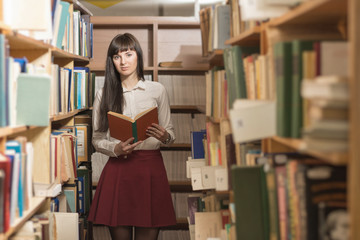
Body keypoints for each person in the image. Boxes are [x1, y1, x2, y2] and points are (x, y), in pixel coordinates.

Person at [87, 33, 176, 240]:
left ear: (138, 56)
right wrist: (115, 149)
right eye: (117, 57)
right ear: (111, 61)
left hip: (150, 169)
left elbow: (170, 133)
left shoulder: (157, 90)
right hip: (119, 170)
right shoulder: (104, 93)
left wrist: (165, 137)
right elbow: (97, 138)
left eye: (128, 54)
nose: (123, 61)